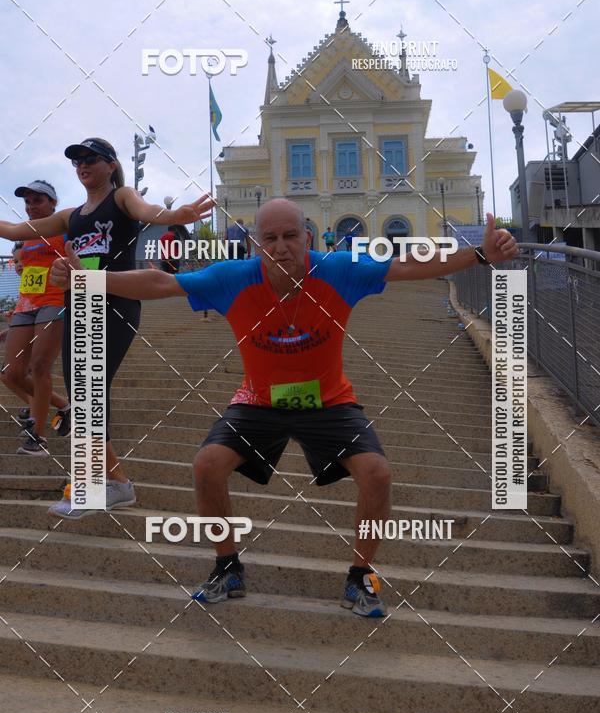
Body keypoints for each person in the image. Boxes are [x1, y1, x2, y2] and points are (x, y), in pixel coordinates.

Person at [51, 201, 517, 616]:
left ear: (307, 238)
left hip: (330, 401)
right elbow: (160, 281)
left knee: (377, 474)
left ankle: (362, 578)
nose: (281, 247)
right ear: (256, 243)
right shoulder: (232, 278)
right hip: (258, 400)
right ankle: (226, 566)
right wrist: (90, 277)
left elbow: (407, 265)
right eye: (269, 238)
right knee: (207, 466)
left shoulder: (339, 269)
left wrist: (479, 255)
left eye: (290, 236)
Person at [0, 138, 213, 513]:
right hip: (78, 303)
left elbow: (149, 211)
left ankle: (94, 485)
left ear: (111, 165)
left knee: (89, 391)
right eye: (78, 161)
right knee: (83, 395)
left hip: (116, 301)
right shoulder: (71, 216)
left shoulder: (122, 197)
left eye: (91, 159)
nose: (83, 165)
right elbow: (17, 232)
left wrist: (175, 216)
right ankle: (116, 483)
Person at [0, 181, 71, 454]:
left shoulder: (65, 229)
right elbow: (27, 268)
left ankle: (38, 436)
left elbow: (82, 260)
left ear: (53, 203)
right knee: (12, 373)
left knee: (40, 366)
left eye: (37, 201)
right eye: (28, 202)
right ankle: (64, 406)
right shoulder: (27, 234)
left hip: (54, 301)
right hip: (25, 305)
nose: (31, 207)